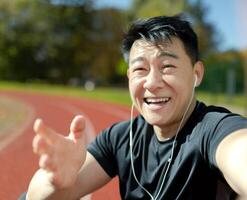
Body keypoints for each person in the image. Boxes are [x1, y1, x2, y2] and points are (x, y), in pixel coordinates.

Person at [24, 14, 247, 200]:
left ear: (196, 74)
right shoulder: (120, 138)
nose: (151, 82)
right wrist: (55, 181)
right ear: (130, 77)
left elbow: (239, 151)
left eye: (167, 66)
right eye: (140, 69)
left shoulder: (215, 130)